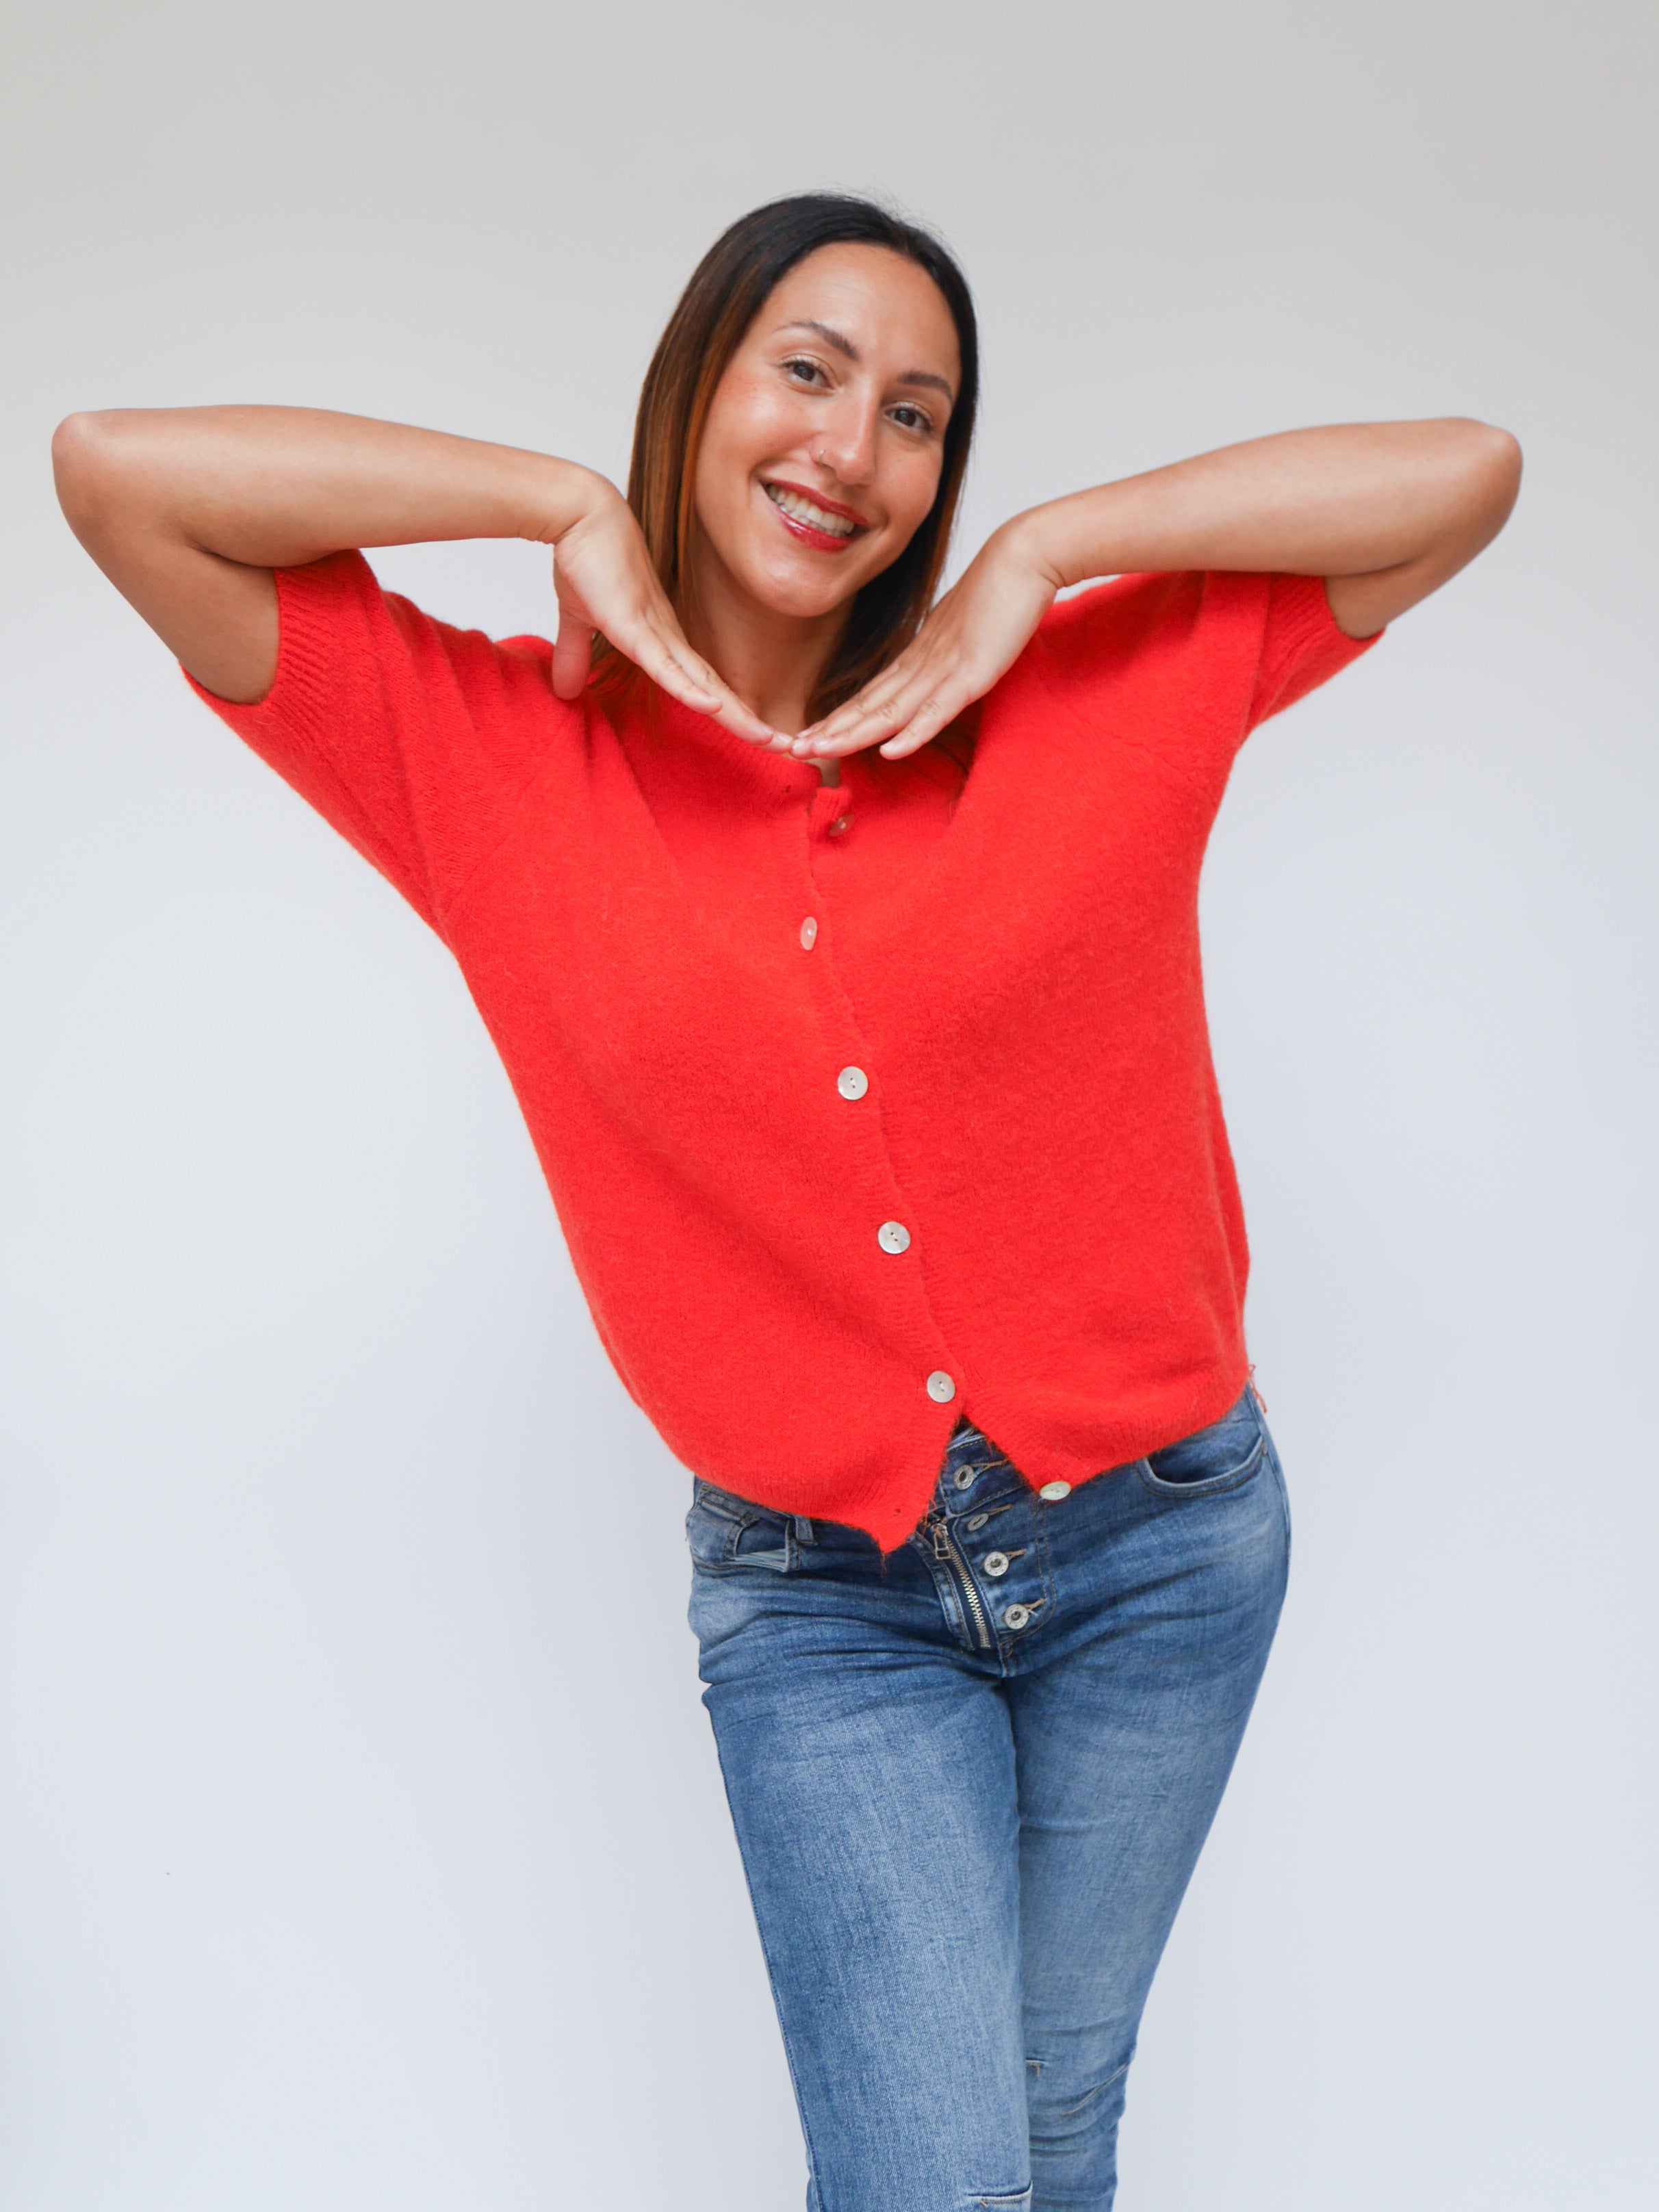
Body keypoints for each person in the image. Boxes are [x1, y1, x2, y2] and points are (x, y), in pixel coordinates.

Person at [53, 192, 1520, 2211]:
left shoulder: (1083, 687)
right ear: (700, 386)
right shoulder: (486, 757)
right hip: (825, 1601)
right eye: (807, 373)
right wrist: (552, 499)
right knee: (935, 2182)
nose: (851, 449)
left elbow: (1465, 474)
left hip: (1170, 1549)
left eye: (917, 415)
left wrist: (1046, 548)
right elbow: (116, 475)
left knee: (1052, 2132)